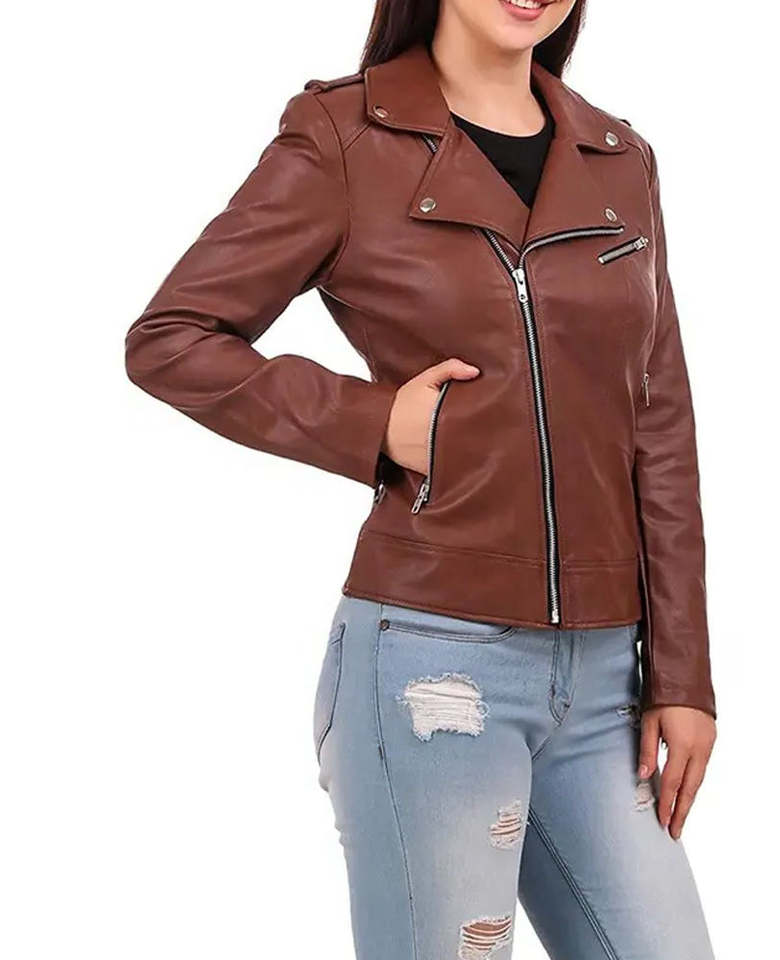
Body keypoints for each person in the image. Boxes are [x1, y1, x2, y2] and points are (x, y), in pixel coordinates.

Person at [125, 1, 717, 957]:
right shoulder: (345, 137)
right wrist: (374, 424)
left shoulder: (618, 157)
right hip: (435, 667)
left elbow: (659, 418)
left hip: (610, 682)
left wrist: (683, 673)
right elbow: (172, 339)